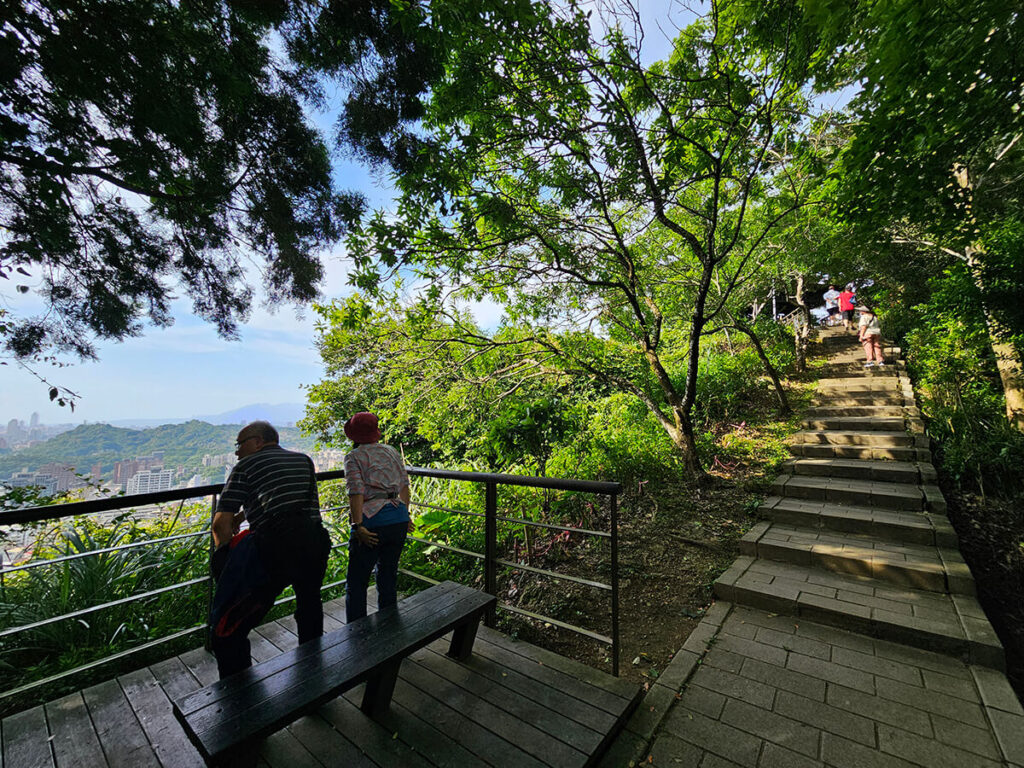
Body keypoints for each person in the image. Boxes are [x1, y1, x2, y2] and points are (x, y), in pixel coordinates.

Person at [209, 421, 331, 679]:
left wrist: (224, 560)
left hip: (274, 551)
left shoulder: (245, 466)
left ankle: (238, 688)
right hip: (313, 543)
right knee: (309, 603)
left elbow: (220, 523)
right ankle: (312, 671)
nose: (237, 452)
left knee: (235, 622)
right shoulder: (304, 460)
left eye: (240, 444)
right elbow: (288, 502)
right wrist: (246, 514)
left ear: (258, 441)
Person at [343, 411, 413, 623]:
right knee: (388, 576)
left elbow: (356, 492)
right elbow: (404, 486)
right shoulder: (391, 451)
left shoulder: (353, 457)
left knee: (357, 582)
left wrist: (358, 526)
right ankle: (389, 628)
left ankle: (357, 634)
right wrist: (405, 515)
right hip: (398, 519)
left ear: (354, 435)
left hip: (372, 523)